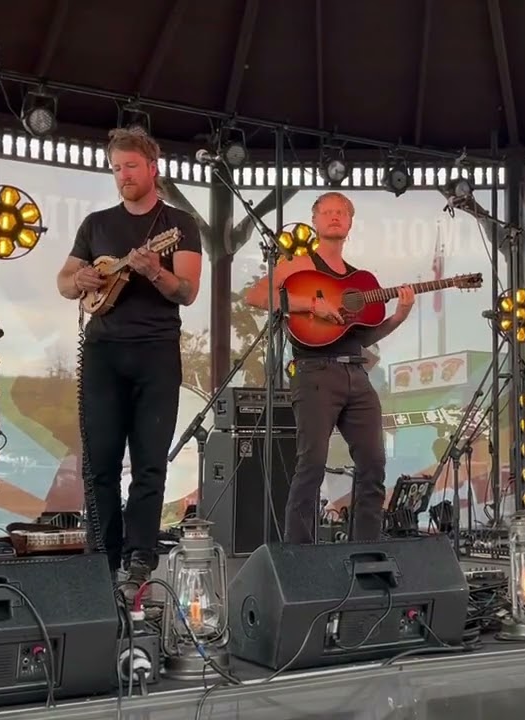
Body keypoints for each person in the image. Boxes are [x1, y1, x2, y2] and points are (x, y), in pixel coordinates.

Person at [56, 127, 203, 585]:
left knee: (149, 461)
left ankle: (141, 554)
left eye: (131, 166)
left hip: (156, 352)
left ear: (153, 167)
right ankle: (101, 554)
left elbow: (187, 291)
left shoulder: (180, 224)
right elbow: (64, 281)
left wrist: (156, 272)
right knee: (99, 460)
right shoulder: (96, 224)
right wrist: (79, 281)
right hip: (102, 351)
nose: (123, 175)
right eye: (116, 168)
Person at [244, 191, 415, 544]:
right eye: (327, 211)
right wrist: (310, 304)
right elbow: (256, 295)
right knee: (311, 464)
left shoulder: (359, 279)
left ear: (350, 223)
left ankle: (366, 548)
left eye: (341, 212)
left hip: (356, 373)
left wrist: (399, 315)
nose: (335, 216)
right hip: (315, 373)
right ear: (315, 221)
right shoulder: (301, 265)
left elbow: (365, 337)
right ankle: (299, 554)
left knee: (373, 463)